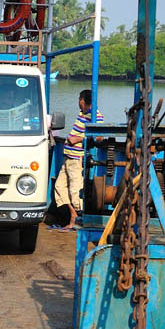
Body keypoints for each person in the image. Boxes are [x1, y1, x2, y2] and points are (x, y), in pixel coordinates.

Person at [53, 89, 95, 229]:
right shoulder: (82, 114)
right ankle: (73, 214)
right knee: (59, 187)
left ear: (83, 100)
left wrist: (77, 139)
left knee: (75, 191)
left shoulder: (94, 116)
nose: (78, 103)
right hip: (68, 158)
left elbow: (98, 136)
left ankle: (77, 221)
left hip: (76, 159)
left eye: (79, 100)